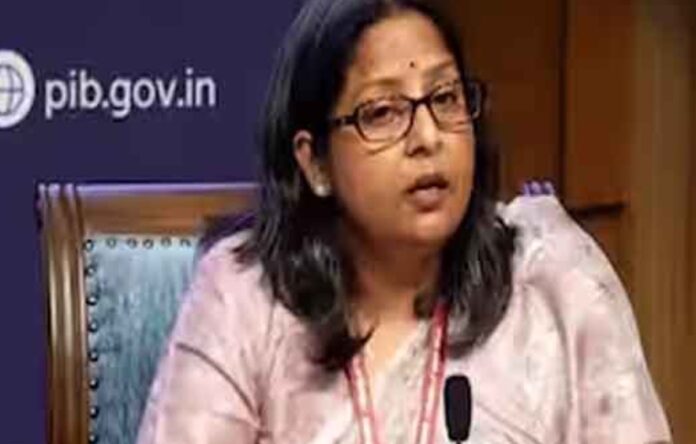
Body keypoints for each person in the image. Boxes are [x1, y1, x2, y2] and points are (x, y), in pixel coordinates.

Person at [136, 0, 672, 442]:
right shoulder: (243, 299)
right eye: (382, 112)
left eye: (445, 98)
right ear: (315, 163)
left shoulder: (554, 285)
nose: (428, 138)